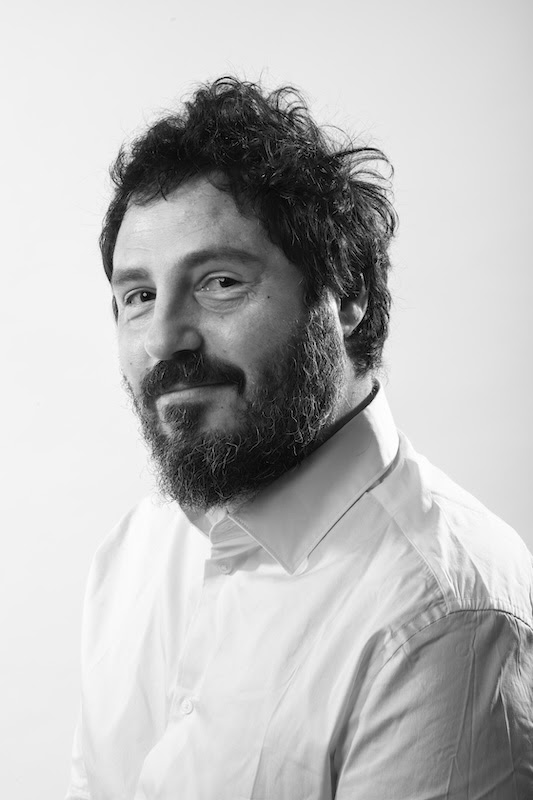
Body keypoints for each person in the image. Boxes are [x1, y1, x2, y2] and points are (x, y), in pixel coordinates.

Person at [66, 77, 533, 800]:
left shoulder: (446, 615)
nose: (162, 338)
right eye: (139, 296)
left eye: (220, 282)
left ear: (346, 296)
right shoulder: (135, 551)